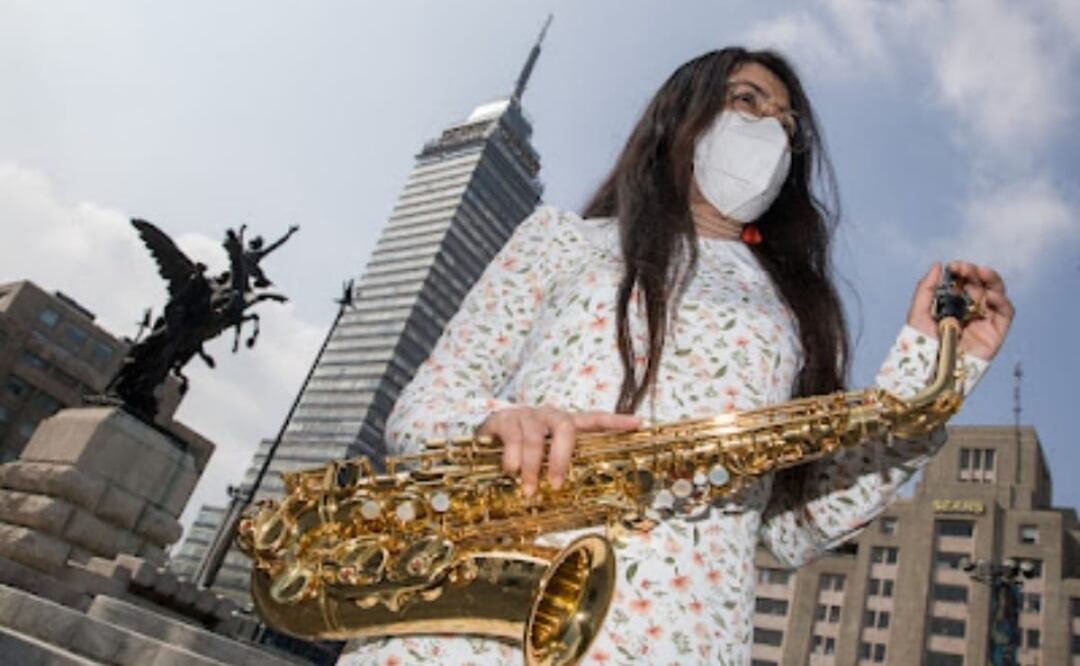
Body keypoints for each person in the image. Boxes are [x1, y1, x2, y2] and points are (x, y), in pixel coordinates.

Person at [340, 47, 1013, 665]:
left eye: (789, 122)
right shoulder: (563, 239)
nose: (772, 128)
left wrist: (936, 370)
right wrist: (499, 421)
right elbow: (422, 410)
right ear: (680, 114)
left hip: (681, 642)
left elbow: (791, 530)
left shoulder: (792, 312)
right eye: (749, 100)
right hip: (474, 623)